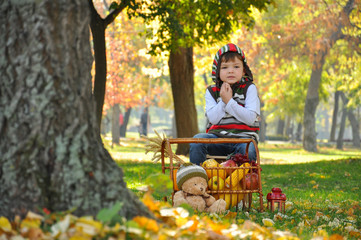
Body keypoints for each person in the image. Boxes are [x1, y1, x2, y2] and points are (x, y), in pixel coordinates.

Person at [189, 43, 261, 165]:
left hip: (243, 139)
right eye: (225, 67)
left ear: (244, 71)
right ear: (217, 72)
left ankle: (245, 181)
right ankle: (197, 178)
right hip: (217, 138)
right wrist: (223, 101)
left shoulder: (249, 88)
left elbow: (249, 119)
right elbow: (213, 119)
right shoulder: (212, 91)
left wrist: (229, 102)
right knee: (197, 141)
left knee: (248, 149)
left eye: (236, 67)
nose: (231, 71)